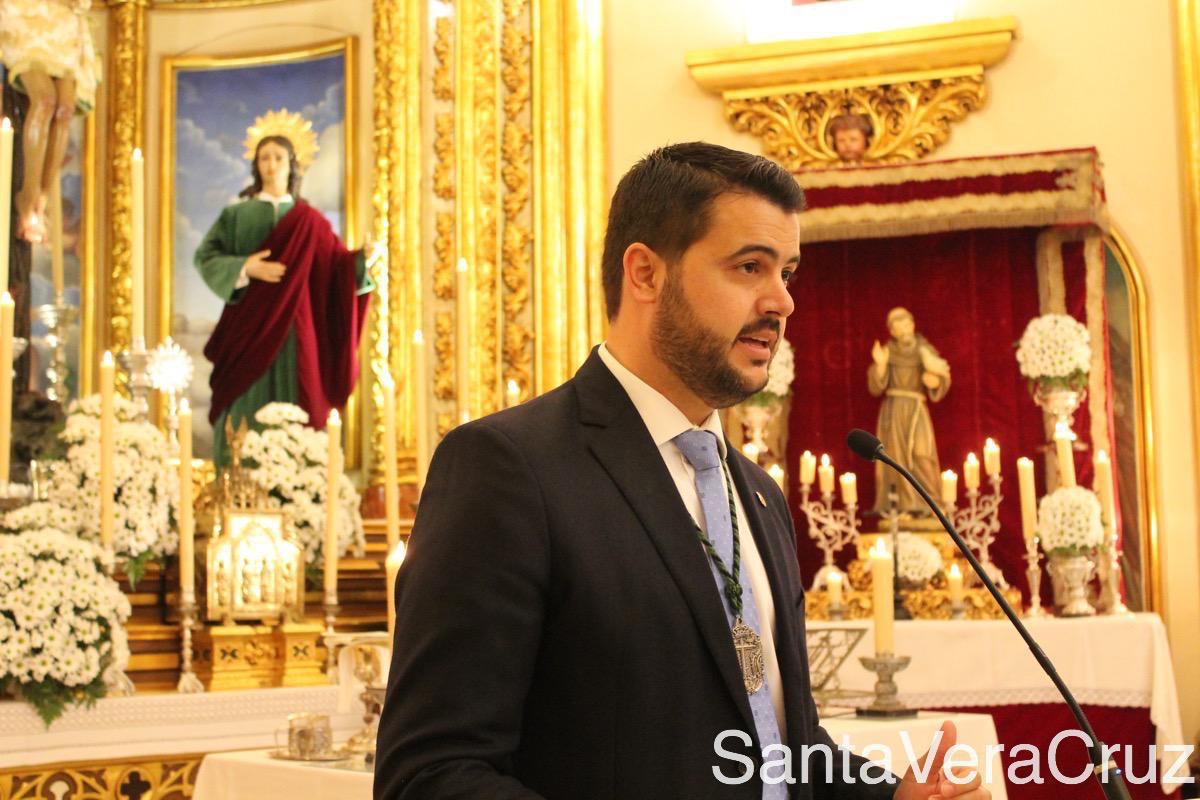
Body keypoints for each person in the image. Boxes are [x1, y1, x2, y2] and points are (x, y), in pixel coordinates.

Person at [376, 143, 988, 800]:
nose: (782, 301)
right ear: (645, 274)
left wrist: (892, 797)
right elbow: (431, 775)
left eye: (788, 272)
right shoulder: (511, 469)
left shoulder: (757, 494)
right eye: (749, 266)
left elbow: (783, 745)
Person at [195, 125, 372, 466]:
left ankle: (298, 487)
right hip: (248, 328)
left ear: (292, 165)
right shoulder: (236, 216)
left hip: (296, 327)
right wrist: (245, 267)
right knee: (245, 398)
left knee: (301, 395)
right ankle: (239, 481)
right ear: (256, 165)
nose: (271, 164)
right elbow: (206, 257)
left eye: (278, 157)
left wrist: (361, 260)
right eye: (264, 158)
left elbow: (337, 269)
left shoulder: (312, 222)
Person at [0, 0, 100, 242]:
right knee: (45, 100)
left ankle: (41, 199)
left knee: (65, 109)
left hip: (61, 26)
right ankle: (28, 193)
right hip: (27, 18)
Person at [868, 307, 951, 515]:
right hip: (894, 411)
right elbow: (876, 386)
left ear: (913, 326)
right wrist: (880, 366)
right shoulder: (888, 352)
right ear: (892, 332)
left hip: (916, 410)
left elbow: (942, 373)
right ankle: (902, 508)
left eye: (906, 325)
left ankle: (931, 506)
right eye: (898, 328)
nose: (904, 331)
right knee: (895, 459)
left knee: (922, 454)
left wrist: (935, 381)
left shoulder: (924, 350)